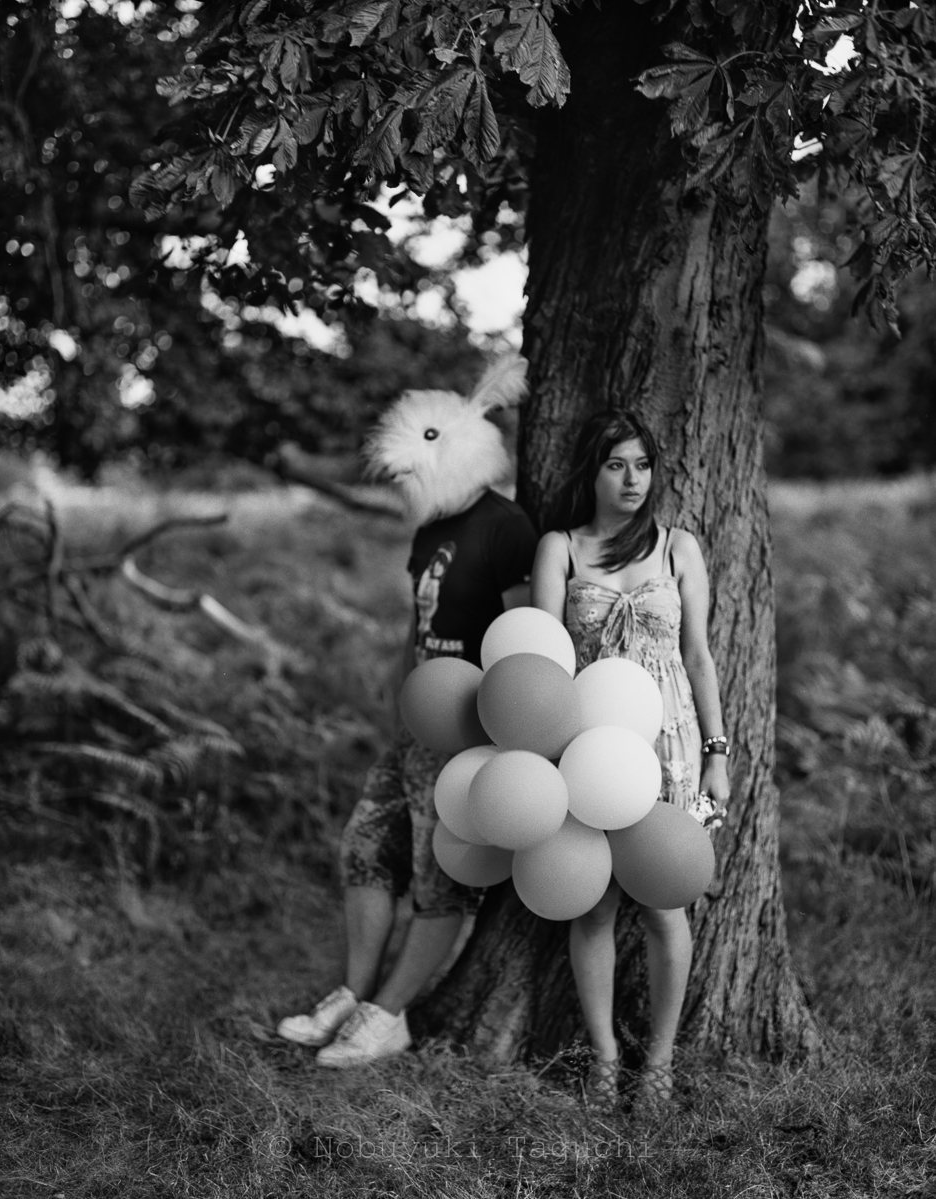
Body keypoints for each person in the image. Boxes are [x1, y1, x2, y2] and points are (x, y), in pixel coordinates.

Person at [277, 355, 538, 1068]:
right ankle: (352, 996)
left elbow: (523, 638)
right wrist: (400, 694)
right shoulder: (431, 530)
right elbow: (415, 624)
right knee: (363, 850)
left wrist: (494, 733)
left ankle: (388, 1017)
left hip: (466, 731)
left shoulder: (506, 526)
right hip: (414, 727)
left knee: (438, 875)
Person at [530, 408, 730, 1108]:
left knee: (666, 902)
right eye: (616, 463)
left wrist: (717, 754)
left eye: (642, 464)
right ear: (591, 469)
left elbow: (699, 655)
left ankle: (661, 1065)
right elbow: (543, 659)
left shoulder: (679, 547)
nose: (632, 478)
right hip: (588, 747)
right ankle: (607, 1058)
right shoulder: (561, 548)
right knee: (590, 905)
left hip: (674, 747)